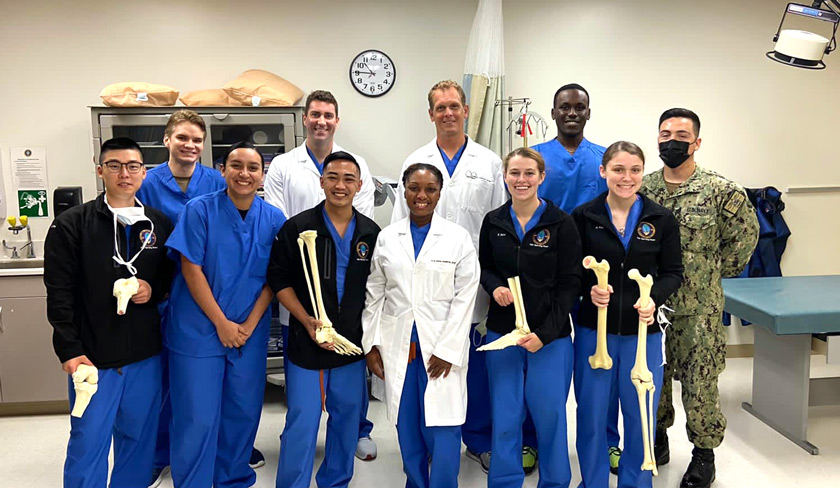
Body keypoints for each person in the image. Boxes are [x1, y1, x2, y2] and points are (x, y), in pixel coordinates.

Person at [44, 137, 175, 488]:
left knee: (138, 442)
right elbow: (59, 294)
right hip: (93, 358)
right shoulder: (72, 225)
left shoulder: (157, 225)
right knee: (88, 442)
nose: (124, 173)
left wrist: (152, 288)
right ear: (100, 169)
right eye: (114, 165)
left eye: (133, 166)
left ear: (144, 173)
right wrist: (70, 349)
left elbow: (169, 277)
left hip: (144, 357)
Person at [392, 79, 506, 473]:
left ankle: (477, 439)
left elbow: (498, 226)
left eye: (454, 106)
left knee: (473, 368)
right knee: (431, 369)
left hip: (477, 285)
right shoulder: (417, 157)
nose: (448, 113)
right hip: (427, 288)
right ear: (431, 114)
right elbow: (397, 233)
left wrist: (495, 281)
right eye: (440, 107)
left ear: (466, 110)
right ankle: (431, 444)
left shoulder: (489, 162)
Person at [643, 108, 759, 488]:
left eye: (680, 134)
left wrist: (706, 274)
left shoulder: (721, 191)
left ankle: (703, 455)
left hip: (700, 310)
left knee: (700, 383)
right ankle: (656, 440)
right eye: (664, 133)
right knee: (652, 379)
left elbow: (743, 244)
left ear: (696, 142)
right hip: (651, 305)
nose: (671, 140)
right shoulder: (644, 189)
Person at [263, 90, 378, 461]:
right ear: (322, 182)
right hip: (305, 318)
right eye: (332, 177)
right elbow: (277, 230)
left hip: (352, 331)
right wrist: (307, 318)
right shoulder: (286, 177)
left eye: (348, 179)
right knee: (303, 417)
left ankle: (339, 474)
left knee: (346, 416)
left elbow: (377, 284)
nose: (340, 184)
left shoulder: (370, 233)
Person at [165, 142, 286, 488]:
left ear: (262, 176)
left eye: (252, 168)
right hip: (199, 330)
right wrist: (222, 323)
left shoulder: (274, 218)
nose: (244, 174)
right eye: (236, 166)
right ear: (222, 170)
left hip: (248, 332)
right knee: (197, 417)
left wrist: (247, 325)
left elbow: (274, 279)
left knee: (242, 413)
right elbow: (191, 268)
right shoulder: (199, 211)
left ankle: (233, 480)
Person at [571, 141, 684, 488]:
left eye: (635, 169)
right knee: (591, 416)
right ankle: (593, 482)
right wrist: (587, 289)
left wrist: (654, 300)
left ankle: (635, 482)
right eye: (618, 169)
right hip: (595, 332)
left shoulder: (660, 219)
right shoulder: (584, 217)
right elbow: (572, 270)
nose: (626, 177)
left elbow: (673, 272)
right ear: (603, 172)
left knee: (640, 417)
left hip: (643, 335)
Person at [363, 163, 479, 488]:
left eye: (430, 189)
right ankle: (415, 483)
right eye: (414, 188)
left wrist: (448, 350)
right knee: (407, 425)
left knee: (444, 428)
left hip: (441, 351)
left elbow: (465, 296)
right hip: (398, 347)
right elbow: (374, 293)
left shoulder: (457, 239)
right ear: (403, 190)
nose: (421, 196)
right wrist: (370, 344)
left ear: (440, 193)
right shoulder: (387, 237)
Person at [478, 147, 582, 487]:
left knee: (550, 415)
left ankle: (554, 481)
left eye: (528, 174)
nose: (521, 180)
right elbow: (486, 268)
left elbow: (570, 283)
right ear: (505, 177)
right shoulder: (493, 221)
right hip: (503, 334)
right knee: (506, 415)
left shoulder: (561, 223)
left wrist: (546, 333)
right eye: (514, 173)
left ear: (541, 177)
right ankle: (505, 480)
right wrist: (494, 288)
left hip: (548, 338)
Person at [532, 83, 621, 473]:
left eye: (579, 107)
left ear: (588, 112)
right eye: (564, 107)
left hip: (592, 278)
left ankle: (607, 441)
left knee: (598, 365)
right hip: (543, 277)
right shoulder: (535, 158)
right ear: (553, 113)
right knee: (536, 365)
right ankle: (530, 441)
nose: (571, 113)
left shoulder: (604, 161)